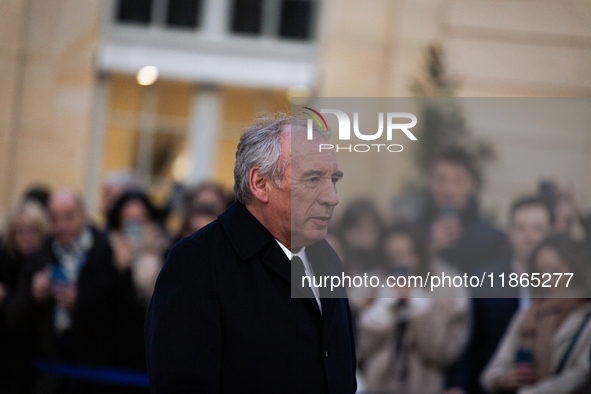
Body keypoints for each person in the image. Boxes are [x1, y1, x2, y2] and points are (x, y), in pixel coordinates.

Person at [145, 114, 357, 393]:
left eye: (334, 179)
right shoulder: (198, 262)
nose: (332, 196)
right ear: (259, 183)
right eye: (313, 178)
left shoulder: (326, 258)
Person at [6, 191, 136, 394]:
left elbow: (123, 314)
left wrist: (81, 302)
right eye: (55, 218)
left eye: (69, 216)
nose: (62, 225)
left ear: (83, 215)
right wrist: (33, 295)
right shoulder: (39, 256)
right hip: (49, 374)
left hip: (95, 375)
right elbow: (14, 318)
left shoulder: (107, 253)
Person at [358, 223, 470, 394]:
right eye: (393, 255)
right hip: (377, 386)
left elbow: (448, 352)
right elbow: (357, 350)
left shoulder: (448, 285)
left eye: (407, 253)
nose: (401, 262)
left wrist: (420, 310)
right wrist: (382, 312)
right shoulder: (369, 285)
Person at [481, 234, 591, 394]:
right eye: (541, 272)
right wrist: (504, 379)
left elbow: (581, 375)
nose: (547, 279)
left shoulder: (585, 315)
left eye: (555, 270)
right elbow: (493, 370)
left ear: (575, 270)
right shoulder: (529, 314)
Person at [0, 200, 51, 394]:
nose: (25, 237)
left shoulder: (47, 262)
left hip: (35, 357)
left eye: (32, 230)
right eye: (19, 231)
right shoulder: (5, 261)